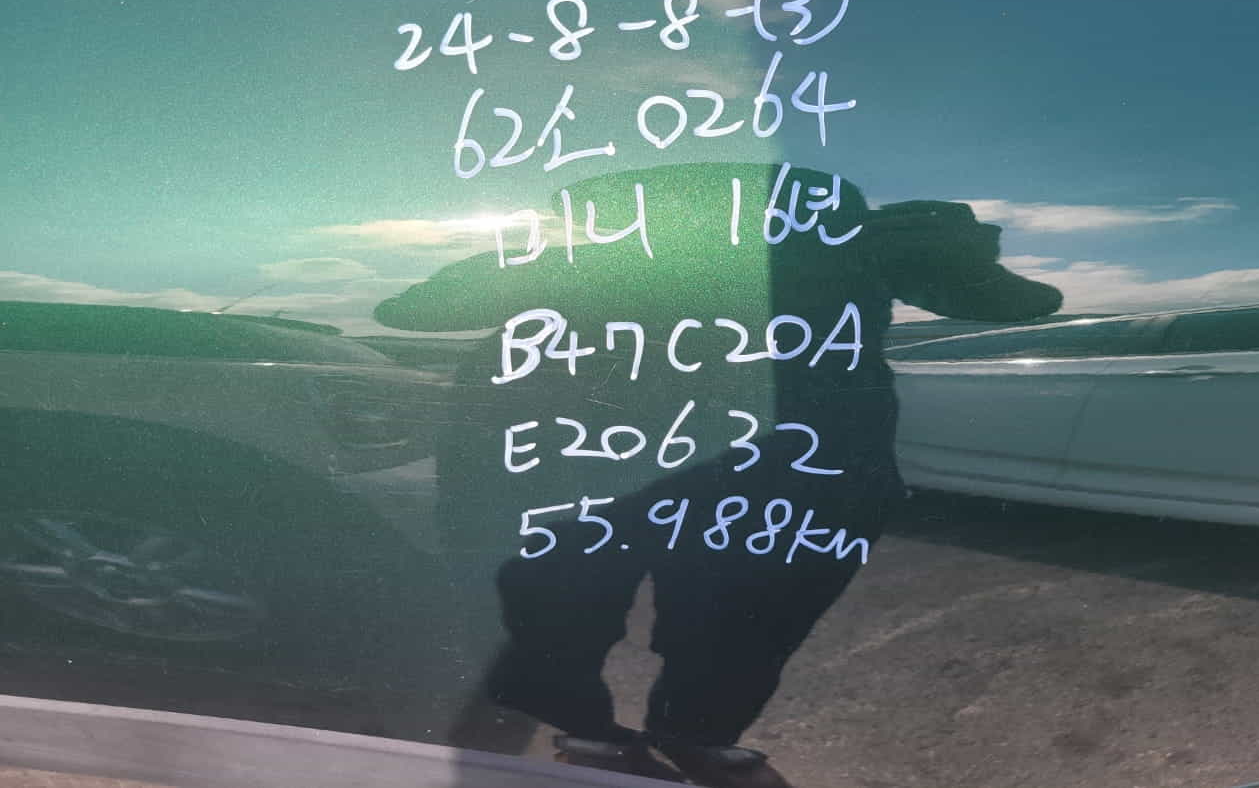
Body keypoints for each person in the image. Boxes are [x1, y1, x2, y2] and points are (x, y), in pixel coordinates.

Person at [375, 163, 1060, 787]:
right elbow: (1018, 303)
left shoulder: (551, 266)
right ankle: (657, 735)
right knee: (708, 616)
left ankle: (624, 735)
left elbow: (407, 311)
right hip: (723, 467)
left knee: (604, 614)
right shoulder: (861, 248)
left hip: (677, 466)